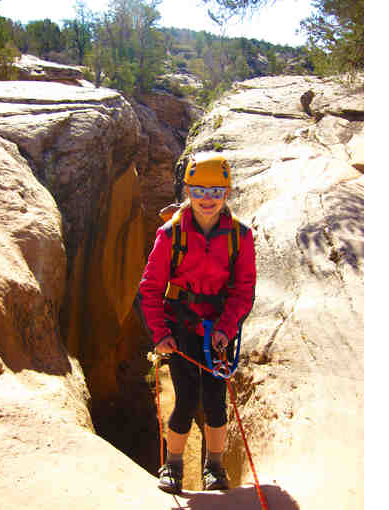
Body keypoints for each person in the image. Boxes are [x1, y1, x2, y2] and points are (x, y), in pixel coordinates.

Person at [136, 153, 257, 494]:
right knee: (187, 397)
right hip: (182, 325)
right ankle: (173, 465)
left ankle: (214, 467)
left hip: (219, 327)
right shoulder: (170, 233)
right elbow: (150, 287)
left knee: (216, 398)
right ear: (188, 190)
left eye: (216, 191)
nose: (207, 198)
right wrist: (160, 333)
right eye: (200, 190)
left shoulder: (240, 236)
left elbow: (243, 288)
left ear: (227, 193)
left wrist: (226, 327)